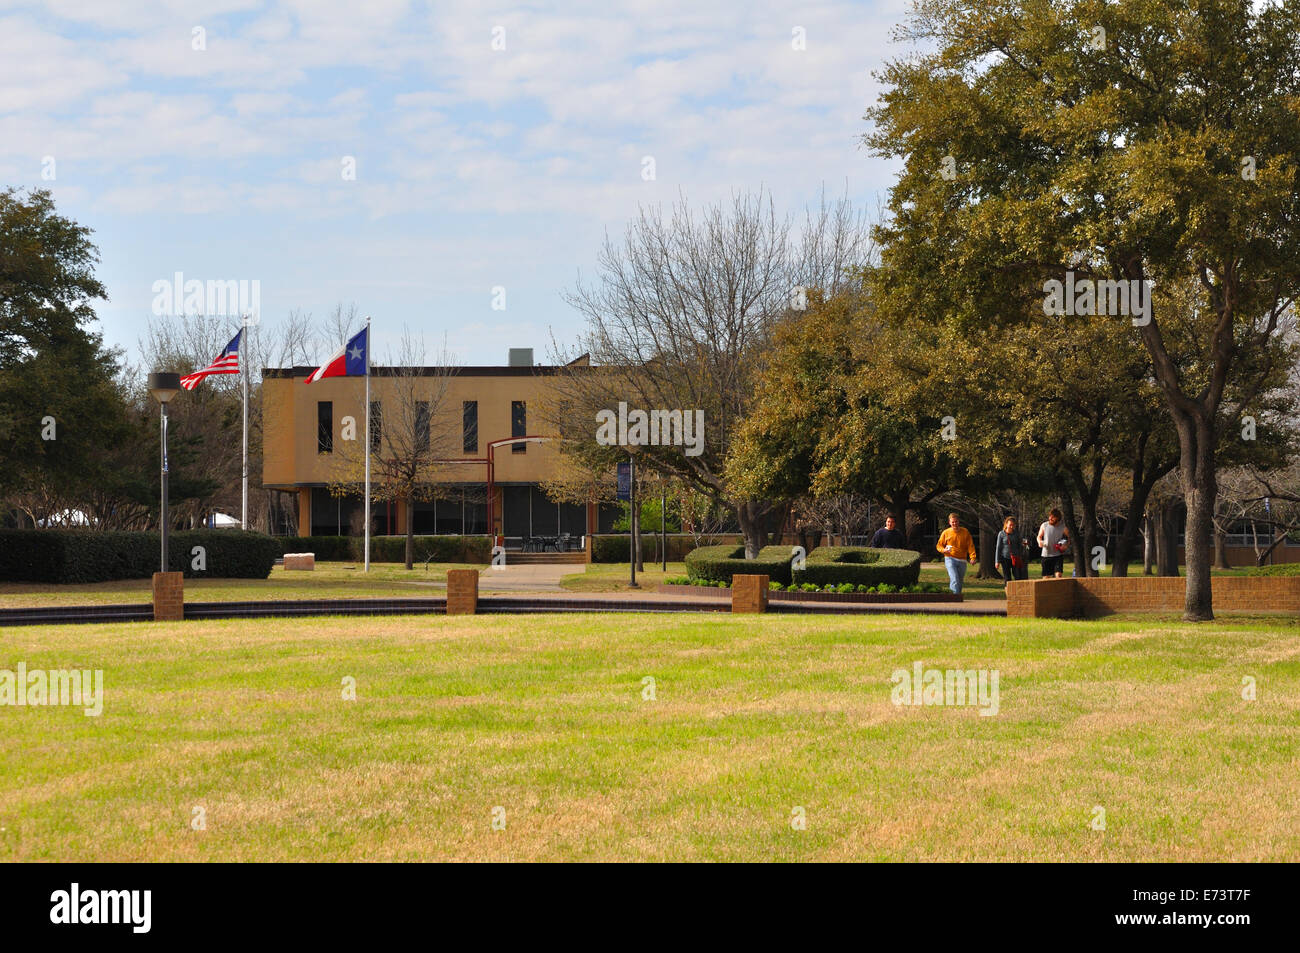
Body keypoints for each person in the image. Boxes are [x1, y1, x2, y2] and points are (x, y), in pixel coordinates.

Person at [935, 512, 977, 594]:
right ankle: (954, 598)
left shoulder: (965, 532)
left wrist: (973, 557)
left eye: (956, 521)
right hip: (950, 558)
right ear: (949, 522)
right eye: (953, 522)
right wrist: (944, 550)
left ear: (959, 522)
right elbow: (939, 546)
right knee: (954, 578)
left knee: (959, 581)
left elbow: (970, 546)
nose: (954, 523)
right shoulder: (946, 532)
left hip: (962, 560)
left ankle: (957, 596)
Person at [1037, 508, 1070, 578]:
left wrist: (1066, 546)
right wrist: (1039, 542)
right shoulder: (1044, 525)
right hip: (1046, 555)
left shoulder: (1063, 527)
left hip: (1058, 555)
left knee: (1058, 575)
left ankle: (1058, 589)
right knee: (1046, 578)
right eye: (1050, 516)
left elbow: (1070, 538)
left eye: (1053, 517)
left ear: (1058, 518)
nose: (1050, 518)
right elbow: (1039, 537)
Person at [996, 516, 1029, 586]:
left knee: (1017, 576)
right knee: (1007, 578)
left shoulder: (1016, 534)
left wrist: (1025, 544)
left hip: (1015, 558)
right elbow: (998, 548)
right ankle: (1008, 594)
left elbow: (1021, 544)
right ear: (1006, 524)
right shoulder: (1001, 534)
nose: (1011, 526)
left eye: (1013, 525)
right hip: (1005, 558)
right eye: (1010, 525)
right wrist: (997, 561)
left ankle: (1018, 592)